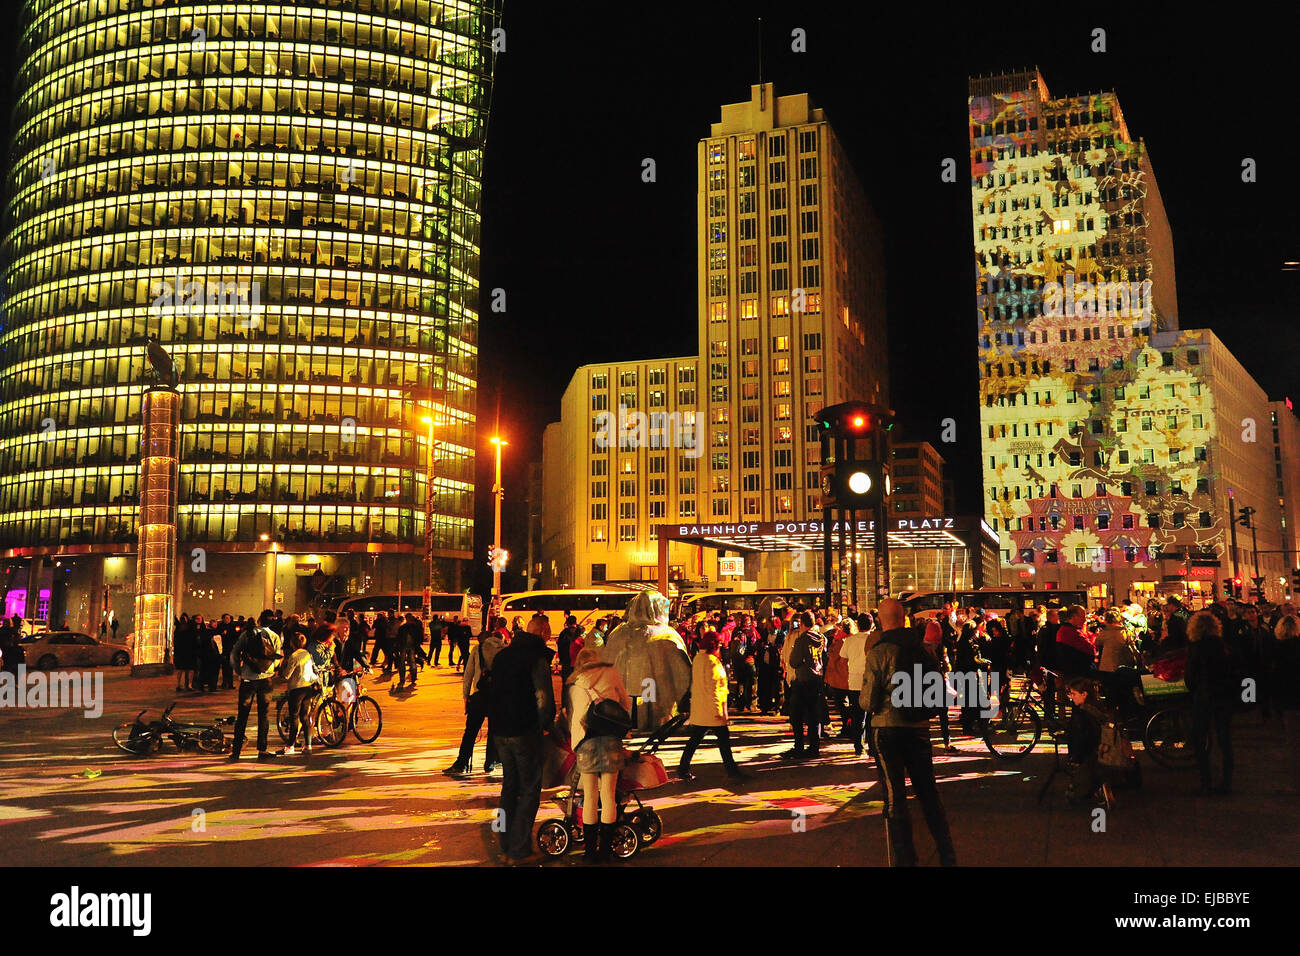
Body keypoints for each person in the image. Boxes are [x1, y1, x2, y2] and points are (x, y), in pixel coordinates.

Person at [861, 598, 957, 867]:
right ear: (904, 618)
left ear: (881, 620)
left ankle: (906, 859)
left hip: (887, 728)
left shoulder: (880, 651)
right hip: (918, 728)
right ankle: (947, 853)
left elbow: (868, 701)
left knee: (894, 797)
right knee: (928, 792)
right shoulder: (922, 648)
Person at [488, 616, 556, 862]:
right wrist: (547, 725)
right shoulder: (536, 658)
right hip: (524, 731)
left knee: (509, 786)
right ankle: (518, 849)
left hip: (500, 730)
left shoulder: (503, 655)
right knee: (529, 789)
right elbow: (543, 698)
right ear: (544, 632)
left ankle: (505, 841)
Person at [565, 646, 634, 862]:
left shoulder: (575, 684)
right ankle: (605, 850)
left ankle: (589, 852)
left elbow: (574, 717)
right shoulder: (611, 673)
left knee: (590, 797)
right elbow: (625, 702)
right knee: (608, 796)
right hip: (611, 741)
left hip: (587, 743)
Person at [601, 592, 691, 732]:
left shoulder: (617, 633)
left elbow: (606, 663)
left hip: (622, 691)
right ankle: (650, 722)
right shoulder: (666, 634)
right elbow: (683, 674)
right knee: (649, 707)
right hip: (651, 688)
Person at [678, 632, 745, 781]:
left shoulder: (698, 658)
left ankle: (683, 768)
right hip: (713, 710)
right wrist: (722, 710)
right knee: (723, 741)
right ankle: (732, 771)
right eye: (719, 644)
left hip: (700, 709)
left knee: (695, 739)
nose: (721, 647)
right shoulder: (712, 662)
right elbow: (716, 688)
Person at [1185, 611, 1235, 796]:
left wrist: (1194, 689)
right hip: (1224, 697)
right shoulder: (1224, 646)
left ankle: (1206, 780)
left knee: (1199, 738)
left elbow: (1190, 676)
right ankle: (1226, 782)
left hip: (1204, 697)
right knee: (1224, 739)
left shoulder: (1196, 647)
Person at [446, 621, 505, 776]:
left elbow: (468, 675)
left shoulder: (478, 649)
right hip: (498, 698)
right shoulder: (505, 651)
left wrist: (465, 697)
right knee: (494, 731)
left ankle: (462, 763)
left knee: (471, 731)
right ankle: (490, 762)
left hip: (480, 696)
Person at [228, 611, 284, 761]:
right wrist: (269, 668)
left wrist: (239, 670)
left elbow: (234, 653)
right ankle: (262, 750)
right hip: (266, 680)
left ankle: (236, 751)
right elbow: (277, 660)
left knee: (242, 716)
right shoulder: (275, 637)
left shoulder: (247, 634)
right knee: (263, 715)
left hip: (248, 679)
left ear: (259, 619)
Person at [784, 610, 826, 760]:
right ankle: (814, 747)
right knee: (814, 716)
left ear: (802, 624)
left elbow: (794, 661)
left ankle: (799, 746)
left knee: (797, 715)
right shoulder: (821, 638)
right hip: (817, 678)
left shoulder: (801, 640)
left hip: (802, 680)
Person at [277, 633, 319, 756]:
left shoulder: (294, 656)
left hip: (296, 689)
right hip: (308, 688)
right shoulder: (307, 654)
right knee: (304, 717)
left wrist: (281, 672)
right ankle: (308, 745)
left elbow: (287, 675)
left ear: (292, 643)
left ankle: (290, 745)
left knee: (294, 717)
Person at [1272, 615, 1300, 793]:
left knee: (1295, 745)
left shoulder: (1277, 649)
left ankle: (1297, 784)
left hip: (1290, 702)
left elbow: (1274, 679)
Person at [557, 616, 580, 681]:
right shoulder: (580, 631)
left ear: (567, 623)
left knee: (566, 683)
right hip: (578, 661)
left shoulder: (563, 633)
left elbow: (560, 647)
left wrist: (561, 659)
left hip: (566, 661)